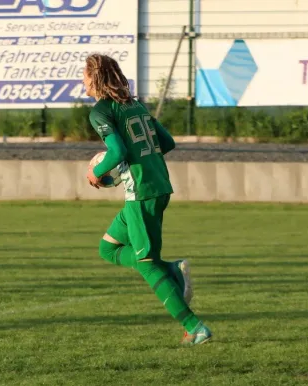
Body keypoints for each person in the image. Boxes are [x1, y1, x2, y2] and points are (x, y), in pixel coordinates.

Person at [82, 53, 212, 345]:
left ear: (95, 78)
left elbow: (116, 153)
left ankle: (195, 327)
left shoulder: (101, 111)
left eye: (84, 75)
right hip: (157, 185)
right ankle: (170, 269)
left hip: (141, 193)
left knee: (146, 263)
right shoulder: (135, 105)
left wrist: (97, 174)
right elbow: (167, 142)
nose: (82, 80)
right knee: (107, 248)